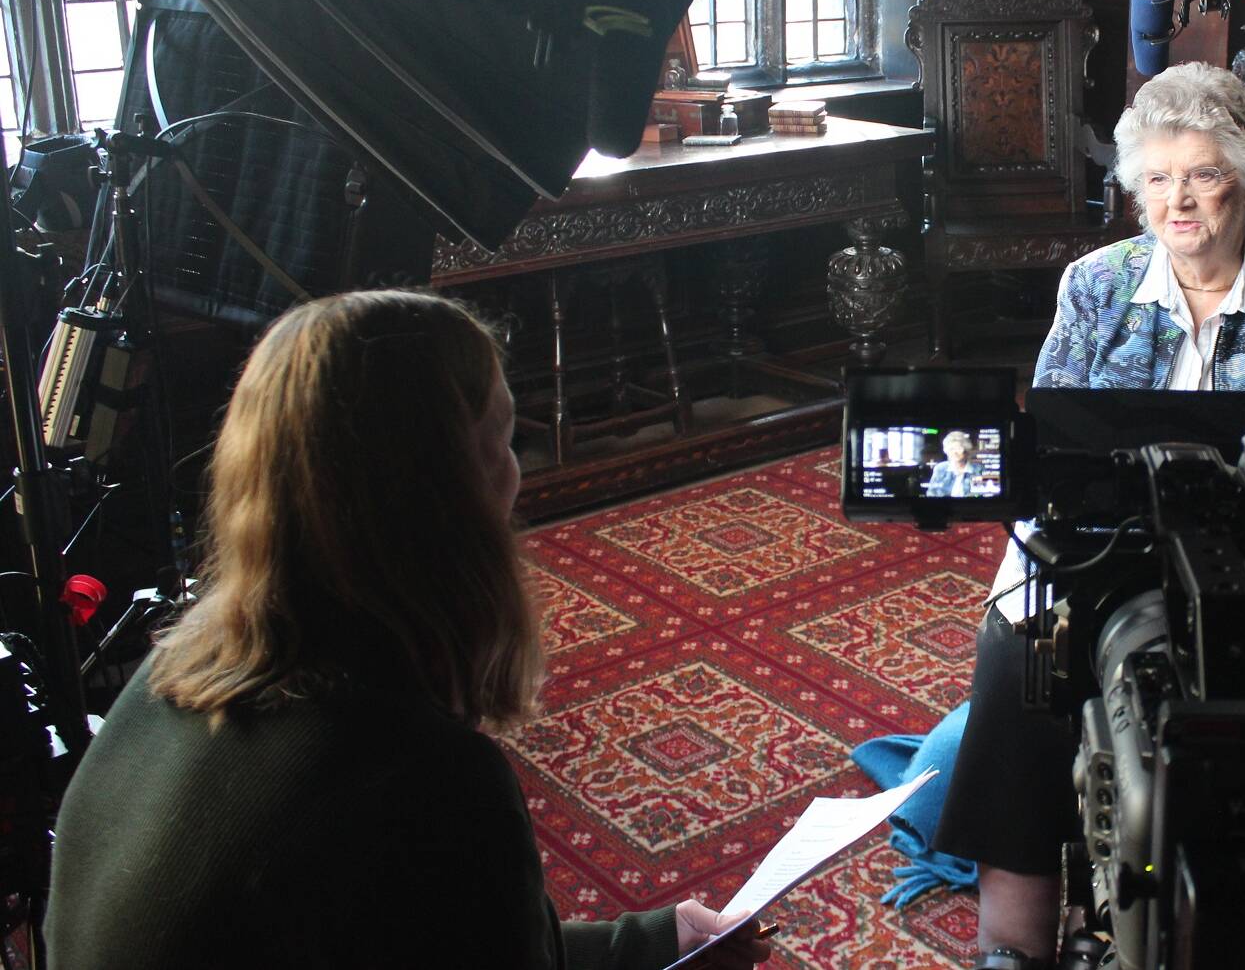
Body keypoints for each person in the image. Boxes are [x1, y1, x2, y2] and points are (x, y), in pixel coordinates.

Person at [44, 289, 774, 970]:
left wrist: (647, 942)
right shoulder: (423, 778)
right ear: (448, 497)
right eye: (505, 440)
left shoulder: (176, 667)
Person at [929, 61, 1245, 970]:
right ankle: (1011, 944)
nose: (1179, 201)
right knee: (1018, 657)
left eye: (1203, 174)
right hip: (1096, 549)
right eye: (1158, 178)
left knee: (1214, 666)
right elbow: (1046, 440)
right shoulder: (1095, 286)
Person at [925, 430, 986, 496]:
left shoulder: (978, 470)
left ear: (966, 450)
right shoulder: (940, 468)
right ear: (946, 451)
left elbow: (981, 495)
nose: (954, 452)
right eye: (951, 449)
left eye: (958, 448)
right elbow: (931, 493)